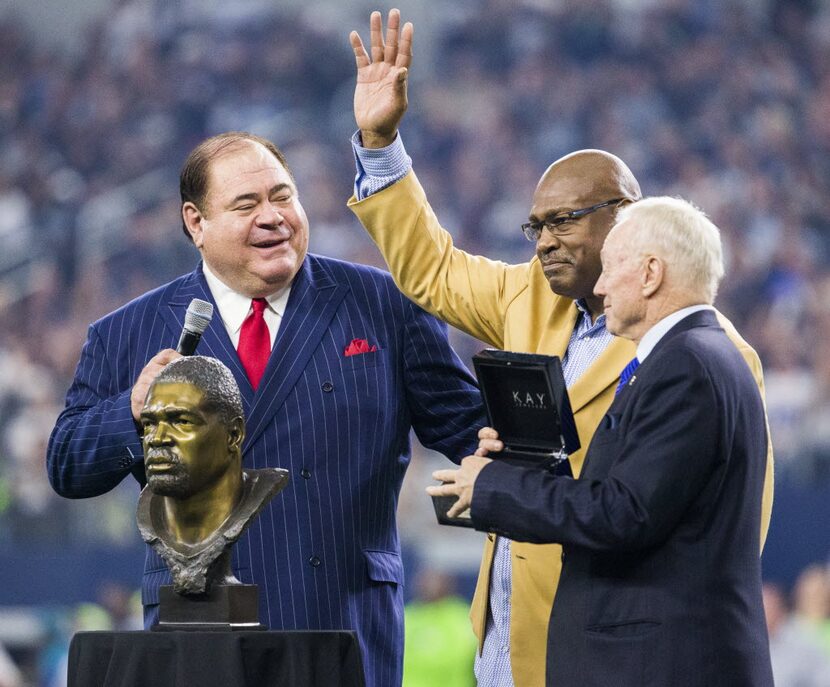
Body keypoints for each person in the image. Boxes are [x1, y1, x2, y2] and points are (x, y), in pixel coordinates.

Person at [347, 11, 774, 687]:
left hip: (611, 648)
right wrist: (380, 145)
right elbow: (431, 270)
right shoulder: (528, 298)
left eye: (563, 221)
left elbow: (723, 540)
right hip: (504, 637)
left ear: (627, 214)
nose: (542, 240)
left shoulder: (711, 356)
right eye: (535, 225)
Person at [46, 130, 485, 687]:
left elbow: (470, 429)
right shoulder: (126, 332)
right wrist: (132, 410)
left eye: (283, 196)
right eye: (247, 204)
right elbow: (66, 464)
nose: (274, 216)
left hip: (341, 626)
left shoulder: (383, 304)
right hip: (199, 639)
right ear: (196, 223)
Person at [430, 197, 774, 685]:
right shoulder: (687, 359)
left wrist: (492, 488)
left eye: (611, 268)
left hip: (661, 664)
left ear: (652, 273)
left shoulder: (686, 366)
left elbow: (621, 513)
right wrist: (516, 464)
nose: (600, 285)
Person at [136, 356, 288, 596]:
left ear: (234, 435)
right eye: (149, 424)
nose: (157, 438)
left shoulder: (259, 490)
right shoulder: (148, 512)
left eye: (181, 421)